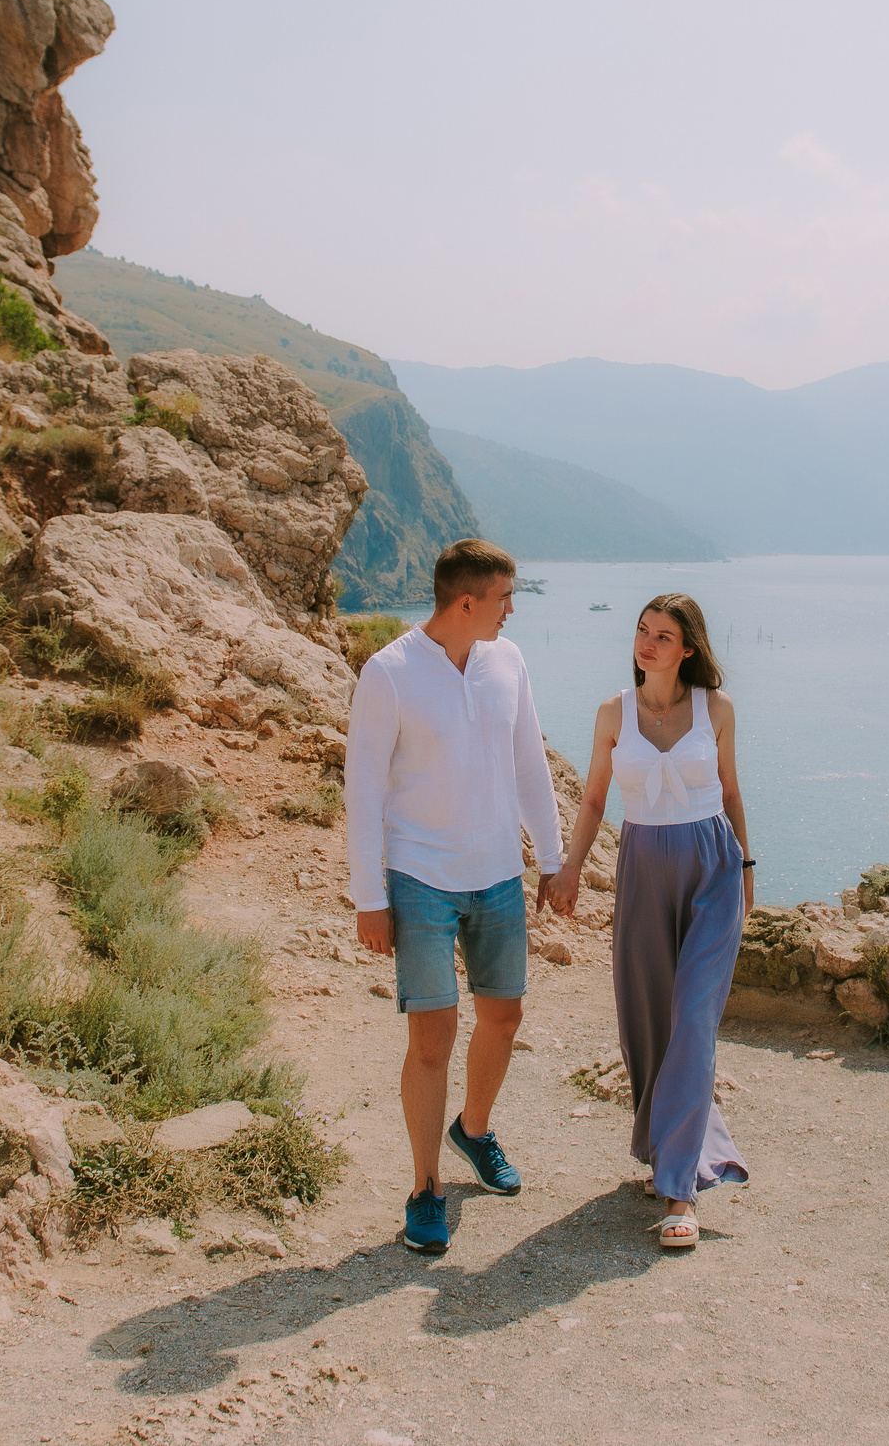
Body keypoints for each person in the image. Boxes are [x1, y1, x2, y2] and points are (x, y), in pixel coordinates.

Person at [347, 538, 567, 1257]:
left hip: (499, 871)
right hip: (420, 878)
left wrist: (554, 857)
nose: (513, 609)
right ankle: (425, 1187)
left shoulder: (508, 661)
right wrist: (367, 896)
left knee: (504, 1017)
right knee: (431, 1038)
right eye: (506, 597)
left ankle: (472, 1129)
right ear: (467, 602)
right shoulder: (389, 673)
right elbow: (364, 792)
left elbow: (529, 761)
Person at [548, 593, 751, 1250]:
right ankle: (672, 1144)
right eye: (643, 630)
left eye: (664, 635)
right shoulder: (614, 712)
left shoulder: (715, 709)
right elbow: (597, 797)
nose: (648, 643)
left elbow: (731, 789)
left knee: (693, 1019)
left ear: (688, 647)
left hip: (711, 869)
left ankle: (679, 1190)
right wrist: (572, 867)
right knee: (648, 1022)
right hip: (641, 865)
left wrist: (746, 866)